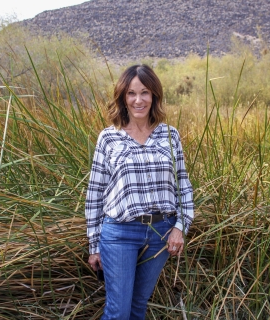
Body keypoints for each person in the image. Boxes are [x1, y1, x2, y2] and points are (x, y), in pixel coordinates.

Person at [85, 64, 194, 320]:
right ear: (123, 97)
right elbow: (95, 193)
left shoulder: (170, 136)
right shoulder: (109, 138)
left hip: (161, 233)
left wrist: (180, 227)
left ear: (154, 95)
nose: (138, 100)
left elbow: (183, 185)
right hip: (120, 233)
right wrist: (93, 245)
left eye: (144, 92)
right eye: (131, 93)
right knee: (119, 312)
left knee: (137, 308)